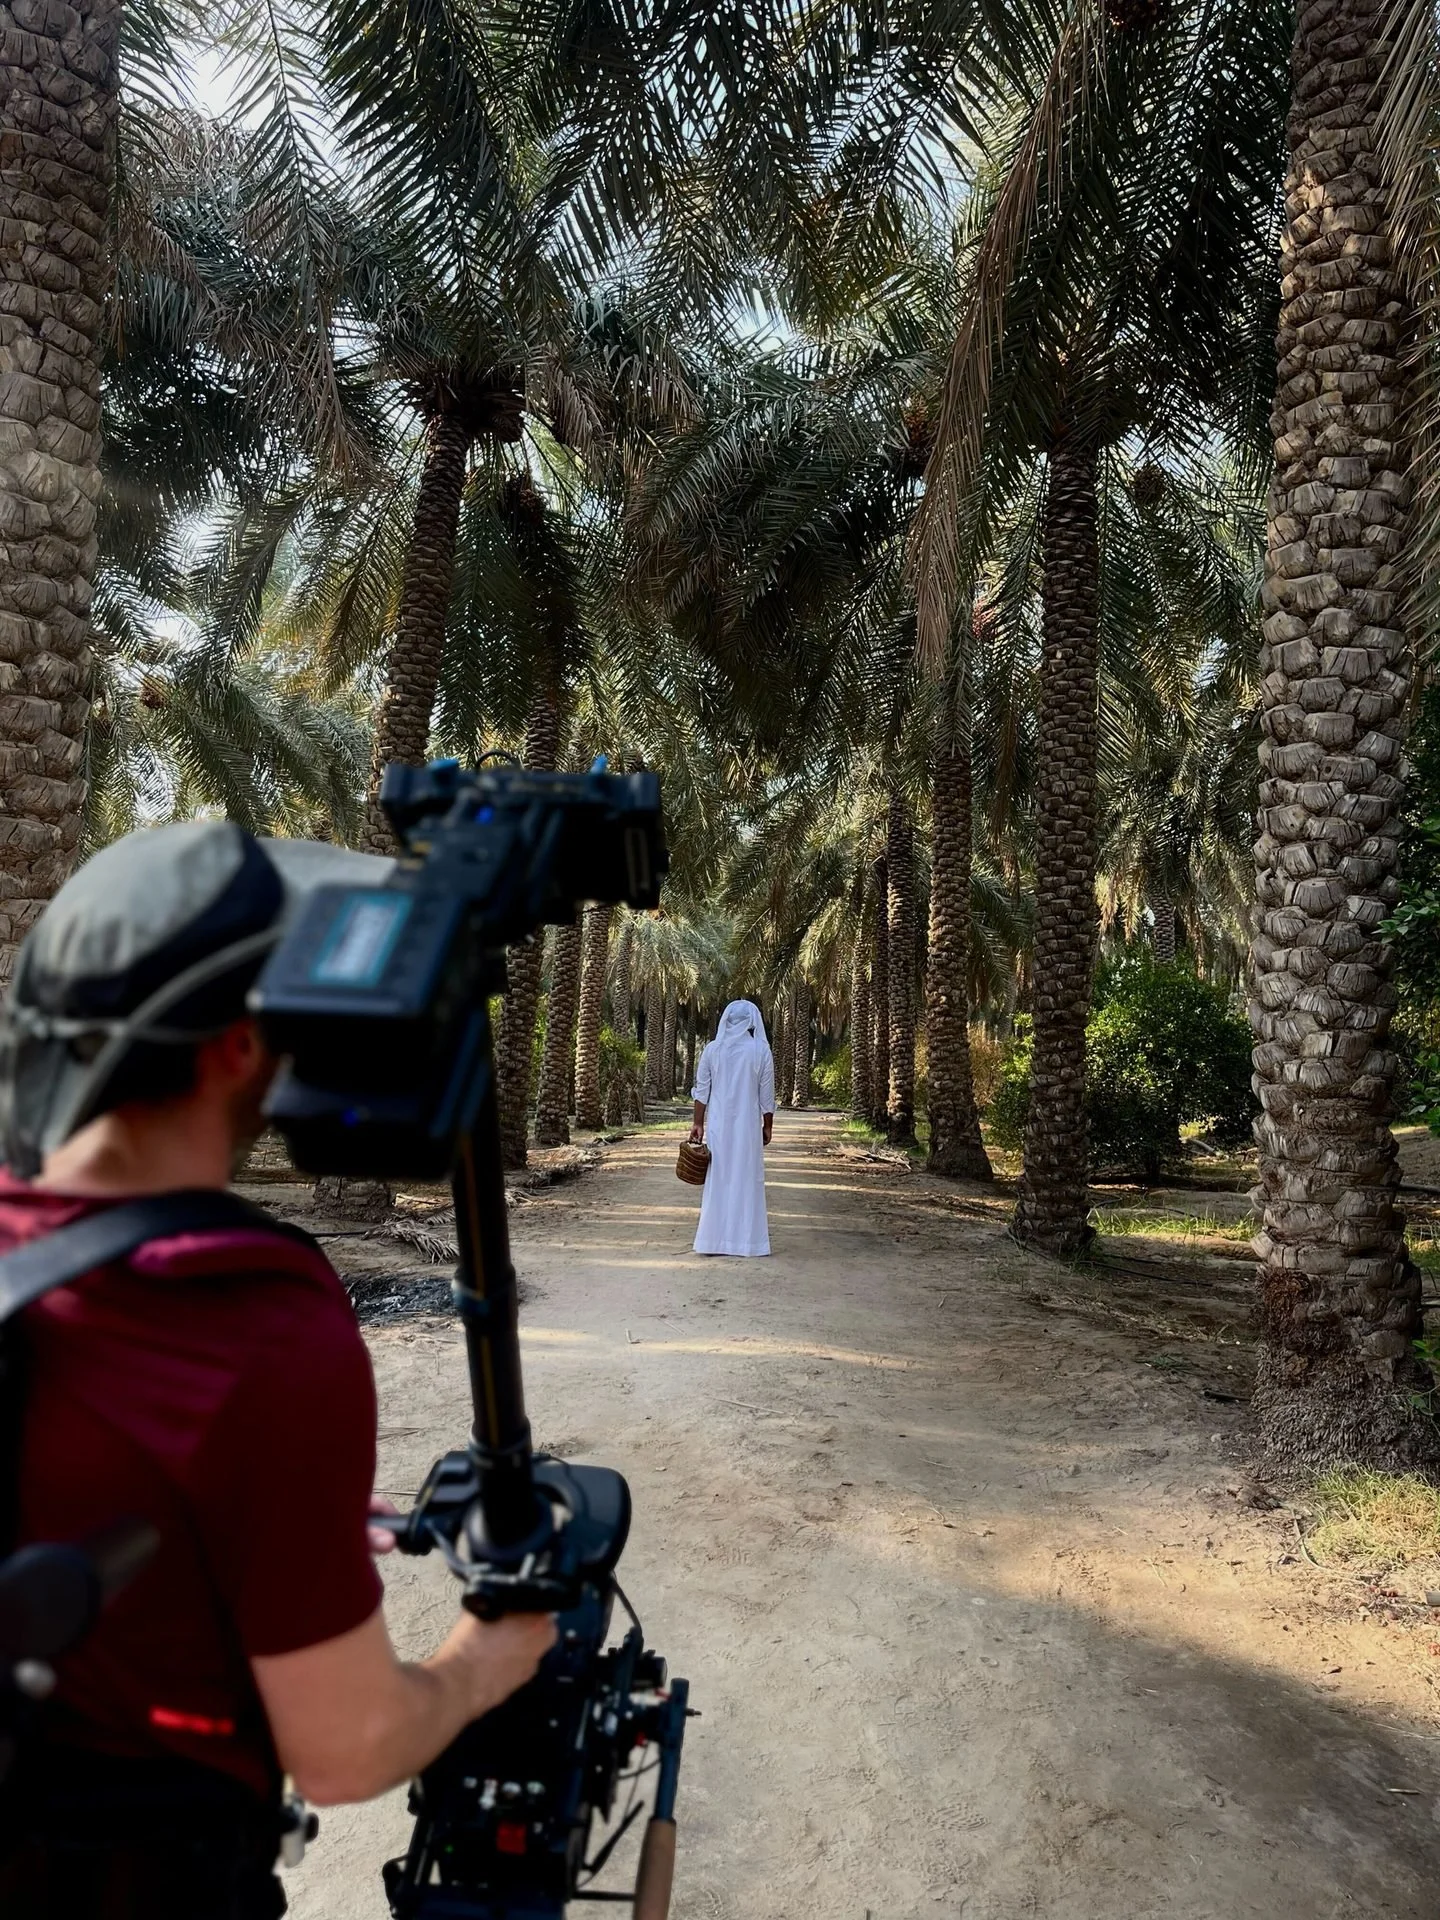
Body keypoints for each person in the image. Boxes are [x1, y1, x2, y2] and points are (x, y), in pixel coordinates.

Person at [0, 820, 554, 1919]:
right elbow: (346, 1752)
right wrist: (484, 1660)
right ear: (240, 1044)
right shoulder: (255, 1327)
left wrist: (240, 1531)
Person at [688, 1000, 775, 1257]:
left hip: (718, 1127)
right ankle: (749, 1243)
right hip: (747, 1128)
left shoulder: (712, 1050)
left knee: (720, 1179)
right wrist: (767, 1125)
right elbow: (766, 1095)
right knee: (747, 1179)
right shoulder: (761, 1051)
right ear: (752, 1021)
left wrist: (697, 1124)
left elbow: (702, 1091)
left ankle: (712, 1241)